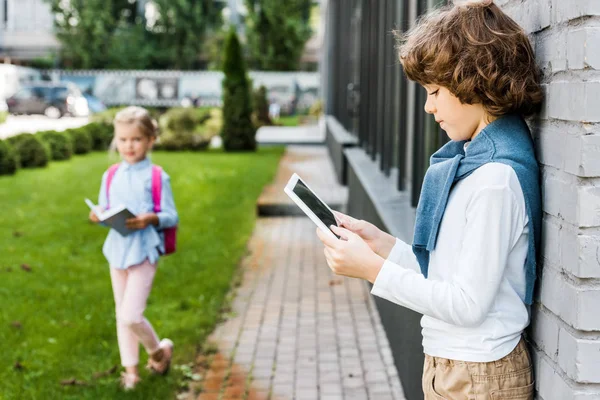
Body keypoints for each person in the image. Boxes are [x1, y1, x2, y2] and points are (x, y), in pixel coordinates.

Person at [317, 1, 543, 399]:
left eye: (435, 91)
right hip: (453, 366)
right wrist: (382, 248)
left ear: (474, 79)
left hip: (480, 376)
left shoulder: (495, 179)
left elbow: (467, 304)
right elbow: (447, 274)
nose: (427, 106)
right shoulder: (471, 164)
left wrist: (373, 271)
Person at [89, 106, 179, 390]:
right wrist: (99, 216)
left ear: (150, 140)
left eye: (136, 139)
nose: (128, 146)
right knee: (121, 314)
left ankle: (158, 351)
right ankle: (132, 373)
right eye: (123, 139)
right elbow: (106, 207)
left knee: (131, 314)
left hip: (144, 252)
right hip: (116, 251)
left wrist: (152, 218)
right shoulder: (111, 174)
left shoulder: (156, 176)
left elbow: (171, 216)